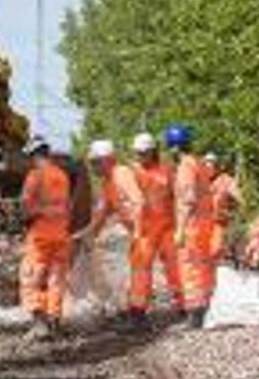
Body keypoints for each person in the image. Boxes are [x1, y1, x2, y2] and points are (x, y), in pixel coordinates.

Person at [82, 138, 145, 328]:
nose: (93, 167)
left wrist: (139, 233)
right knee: (131, 272)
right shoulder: (107, 183)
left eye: (95, 163)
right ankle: (131, 313)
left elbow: (139, 202)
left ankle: (137, 317)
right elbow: (101, 213)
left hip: (145, 231)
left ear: (107, 160)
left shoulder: (121, 174)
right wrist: (87, 234)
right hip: (136, 231)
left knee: (138, 274)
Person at [19, 135, 71, 339]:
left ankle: (40, 325)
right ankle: (55, 322)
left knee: (32, 278)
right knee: (56, 279)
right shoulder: (62, 175)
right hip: (62, 235)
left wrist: (24, 219)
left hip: (41, 237)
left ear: (33, 155)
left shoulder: (35, 176)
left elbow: (26, 210)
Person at [165, 124, 214, 328]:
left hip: (192, 226)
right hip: (205, 224)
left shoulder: (185, 166)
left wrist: (180, 230)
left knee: (189, 269)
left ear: (174, 147)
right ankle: (204, 308)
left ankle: (194, 315)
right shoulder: (200, 163)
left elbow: (188, 200)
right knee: (203, 267)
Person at [130, 133, 183, 318]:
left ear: (153, 152)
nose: (140, 156)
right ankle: (138, 307)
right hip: (145, 230)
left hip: (168, 227)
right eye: (138, 153)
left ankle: (183, 304)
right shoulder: (133, 172)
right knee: (140, 267)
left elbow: (178, 196)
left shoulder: (167, 170)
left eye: (144, 153)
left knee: (174, 266)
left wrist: (182, 226)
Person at [205, 152, 242, 263]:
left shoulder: (226, 180)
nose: (209, 169)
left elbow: (240, 197)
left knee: (215, 250)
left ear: (217, 166)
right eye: (206, 166)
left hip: (219, 223)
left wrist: (235, 203)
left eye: (212, 165)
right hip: (202, 224)